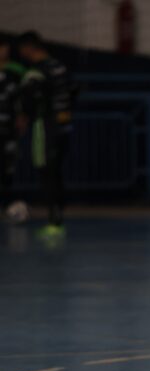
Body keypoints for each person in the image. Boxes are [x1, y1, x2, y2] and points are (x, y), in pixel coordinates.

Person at [16, 31, 75, 236]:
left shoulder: (36, 72)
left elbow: (30, 99)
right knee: (55, 170)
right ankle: (58, 215)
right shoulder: (60, 66)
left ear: (29, 48)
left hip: (46, 126)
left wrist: (24, 117)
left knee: (46, 170)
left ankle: (54, 221)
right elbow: (73, 91)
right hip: (65, 124)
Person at [0, 35, 26, 217]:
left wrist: (22, 116)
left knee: (7, 165)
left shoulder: (17, 70)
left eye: (5, 47)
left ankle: (6, 203)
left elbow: (24, 96)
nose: (4, 51)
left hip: (8, 127)